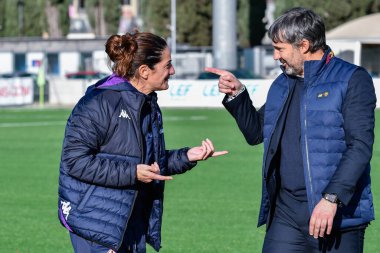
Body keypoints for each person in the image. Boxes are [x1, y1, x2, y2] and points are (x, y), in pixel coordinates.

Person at [206, 7, 376, 253]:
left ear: (304, 45)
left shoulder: (352, 79)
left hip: (336, 214)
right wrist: (238, 95)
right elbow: (256, 133)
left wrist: (331, 199)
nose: (275, 56)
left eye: (279, 48)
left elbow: (360, 147)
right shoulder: (282, 83)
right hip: (285, 215)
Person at [58, 31, 227, 253]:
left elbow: (147, 164)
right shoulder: (99, 103)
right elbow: (75, 162)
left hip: (131, 220)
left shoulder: (147, 104)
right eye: (168, 65)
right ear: (145, 71)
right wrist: (133, 173)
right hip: (98, 226)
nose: (173, 71)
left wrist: (186, 156)